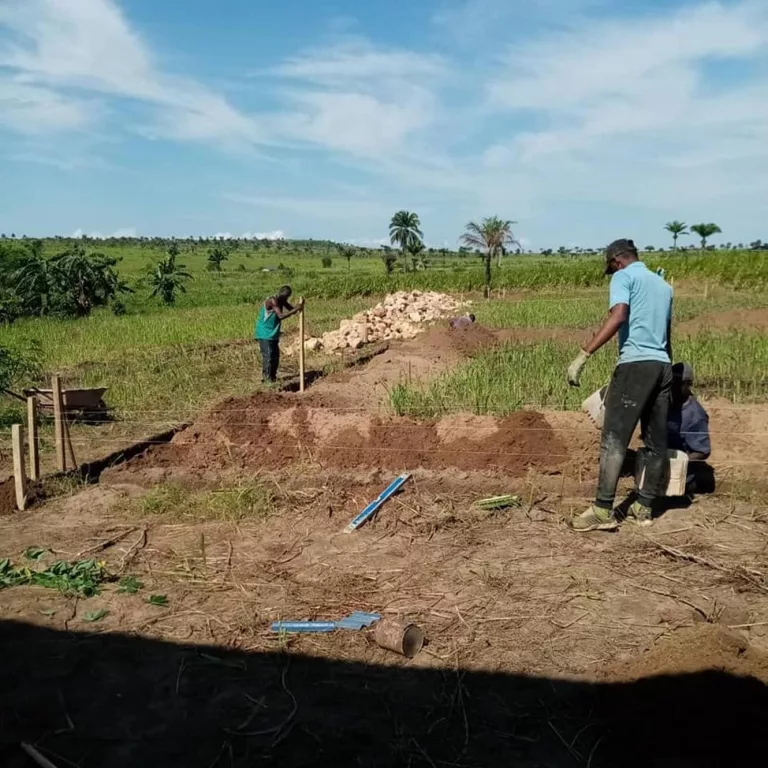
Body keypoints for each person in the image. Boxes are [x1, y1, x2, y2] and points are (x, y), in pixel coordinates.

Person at [567, 238, 673, 531]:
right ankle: (644, 506)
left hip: (635, 364)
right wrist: (667, 375)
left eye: (611, 269)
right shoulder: (663, 285)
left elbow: (619, 315)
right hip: (662, 366)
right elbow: (667, 333)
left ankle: (602, 510)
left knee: (614, 439)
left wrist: (583, 354)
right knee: (654, 442)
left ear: (617, 261)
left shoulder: (624, 277)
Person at [668, 362, 712, 494]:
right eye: (671, 383)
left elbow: (702, 452)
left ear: (687, 385)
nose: (673, 387)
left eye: (677, 383)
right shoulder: (666, 404)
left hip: (682, 476)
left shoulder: (695, 414)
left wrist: (677, 461)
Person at [254, 285, 304, 384]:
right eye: (285, 296)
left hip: (273, 334)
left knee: (275, 357)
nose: (286, 298)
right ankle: (266, 380)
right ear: (281, 294)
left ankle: (272, 377)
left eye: (287, 297)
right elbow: (281, 316)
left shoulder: (282, 301)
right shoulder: (273, 301)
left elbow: (292, 310)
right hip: (265, 333)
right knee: (268, 357)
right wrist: (296, 309)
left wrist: (299, 306)